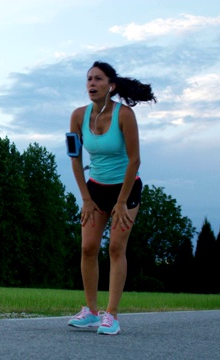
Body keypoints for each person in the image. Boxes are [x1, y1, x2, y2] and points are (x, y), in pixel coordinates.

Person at [66, 61, 156, 335]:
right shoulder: (78, 116)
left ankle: (112, 315)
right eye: (89, 79)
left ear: (111, 86)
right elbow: (74, 157)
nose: (91, 84)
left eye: (98, 79)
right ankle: (91, 312)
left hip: (125, 189)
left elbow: (135, 160)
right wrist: (86, 198)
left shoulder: (124, 115)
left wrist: (120, 202)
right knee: (88, 248)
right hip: (95, 189)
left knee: (116, 249)